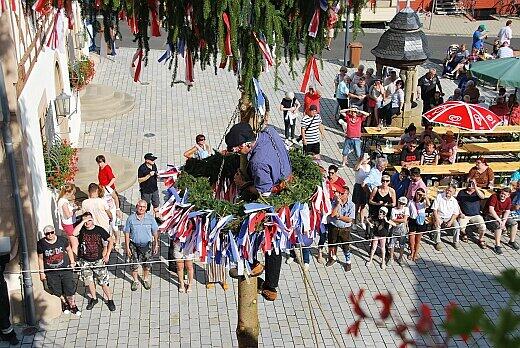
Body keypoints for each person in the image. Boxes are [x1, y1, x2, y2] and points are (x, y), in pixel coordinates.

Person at [225, 122, 291, 301]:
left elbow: (264, 192)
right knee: (274, 243)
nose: (238, 152)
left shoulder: (257, 162)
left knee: (249, 230)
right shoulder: (268, 131)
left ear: (246, 144)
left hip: (271, 199)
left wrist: (243, 185)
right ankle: (270, 282)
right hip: (283, 180)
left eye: (238, 149)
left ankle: (255, 267)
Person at [73, 212, 115, 311]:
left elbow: (111, 240)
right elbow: (74, 233)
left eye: (89, 220)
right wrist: (83, 221)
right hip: (85, 261)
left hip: (98, 260)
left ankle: (109, 299)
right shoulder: (82, 229)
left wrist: (107, 254)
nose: (87, 222)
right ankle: (94, 298)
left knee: (103, 281)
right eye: (85, 221)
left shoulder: (99, 230)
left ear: (93, 219)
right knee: (89, 281)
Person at [37, 225, 80, 316]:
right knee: (56, 290)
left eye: (52, 232)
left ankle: (73, 305)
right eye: (47, 234)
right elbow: (40, 258)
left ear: (54, 232)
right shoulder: (41, 243)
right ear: (45, 234)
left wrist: (72, 262)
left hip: (65, 268)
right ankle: (65, 303)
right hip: (51, 272)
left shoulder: (62, 240)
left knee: (69, 288)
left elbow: (69, 250)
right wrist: (42, 272)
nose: (50, 235)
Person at [124, 199, 159, 291]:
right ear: (136, 207)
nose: (141, 208)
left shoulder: (150, 218)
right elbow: (127, 233)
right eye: (140, 206)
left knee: (147, 264)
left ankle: (145, 279)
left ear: (146, 208)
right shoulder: (130, 218)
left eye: (144, 207)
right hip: (134, 246)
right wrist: (127, 247)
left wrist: (156, 243)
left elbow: (155, 231)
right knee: (134, 264)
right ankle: (135, 281)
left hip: (147, 245)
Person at [326, 185, 355, 271]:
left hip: (344, 229)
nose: (340, 195)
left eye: (342, 193)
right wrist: (338, 204)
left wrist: (339, 217)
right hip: (334, 227)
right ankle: (333, 258)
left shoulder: (351, 205)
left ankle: (348, 262)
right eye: (340, 193)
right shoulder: (335, 202)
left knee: (345, 246)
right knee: (332, 244)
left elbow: (349, 219)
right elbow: (332, 214)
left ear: (347, 194)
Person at [484, 188, 519, 254]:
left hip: (501, 216)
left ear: (508, 195)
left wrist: (504, 221)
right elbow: (491, 210)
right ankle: (497, 245)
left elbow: (507, 211)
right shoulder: (494, 197)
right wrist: (500, 221)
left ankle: (511, 241)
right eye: (502, 193)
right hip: (489, 215)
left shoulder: (508, 199)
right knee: (498, 226)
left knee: (514, 224)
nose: (502, 195)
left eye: (504, 194)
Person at [0, 239, 19, 345]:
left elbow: (12, 255)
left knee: (5, 310)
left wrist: (17, 240)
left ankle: (6, 334)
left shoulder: (0, 258)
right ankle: (10, 336)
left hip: (1, 287)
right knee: (2, 313)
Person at [457, 180, 487, 246]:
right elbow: (457, 203)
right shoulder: (462, 192)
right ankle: (464, 234)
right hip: (465, 215)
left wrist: (475, 187)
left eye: (472, 184)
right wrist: (460, 213)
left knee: (483, 227)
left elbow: (482, 197)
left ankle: (481, 239)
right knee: (460, 226)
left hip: (476, 215)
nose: (470, 185)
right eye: (469, 183)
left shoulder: (478, 192)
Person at [432, 185, 461, 250]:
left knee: (457, 227)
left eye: (450, 191)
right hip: (439, 216)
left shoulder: (454, 201)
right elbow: (434, 209)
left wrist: (450, 221)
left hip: (449, 217)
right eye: (447, 190)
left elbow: (456, 213)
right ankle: (438, 242)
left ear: (453, 193)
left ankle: (456, 241)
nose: (448, 192)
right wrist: (436, 219)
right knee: (437, 226)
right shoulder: (439, 196)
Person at [408, 188, 429, 261]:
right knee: (411, 240)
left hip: (420, 221)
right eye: (417, 194)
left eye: (420, 194)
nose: (418, 196)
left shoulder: (423, 203)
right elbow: (408, 212)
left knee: (418, 240)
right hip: (412, 221)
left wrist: (424, 196)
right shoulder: (411, 202)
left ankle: (415, 254)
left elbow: (428, 205)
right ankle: (411, 252)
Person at [99, 184, 122, 251]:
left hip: (112, 211)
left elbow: (115, 198)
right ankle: (110, 242)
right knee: (107, 228)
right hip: (104, 213)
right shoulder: (98, 193)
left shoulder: (108, 189)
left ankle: (117, 241)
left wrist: (118, 209)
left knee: (115, 227)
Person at [57, 184, 79, 255]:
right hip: (68, 224)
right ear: (67, 193)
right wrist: (74, 210)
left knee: (72, 243)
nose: (72, 195)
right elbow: (68, 215)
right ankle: (74, 260)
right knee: (75, 244)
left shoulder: (62, 200)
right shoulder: (64, 202)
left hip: (69, 224)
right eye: (72, 193)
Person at [352, 153, 371, 229]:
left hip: (365, 187)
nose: (365, 160)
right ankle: (354, 222)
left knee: (363, 205)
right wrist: (360, 161)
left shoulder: (369, 167)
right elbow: (355, 168)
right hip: (358, 186)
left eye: (367, 159)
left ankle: (362, 221)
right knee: (357, 206)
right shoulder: (359, 166)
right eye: (364, 158)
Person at [388, 197, 409, 265]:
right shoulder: (393, 209)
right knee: (391, 245)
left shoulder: (406, 209)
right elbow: (392, 219)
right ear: (398, 202)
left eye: (403, 204)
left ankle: (400, 258)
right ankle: (391, 258)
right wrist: (401, 220)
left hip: (403, 230)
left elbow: (404, 220)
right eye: (400, 203)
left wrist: (395, 220)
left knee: (402, 245)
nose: (401, 205)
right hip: (394, 230)